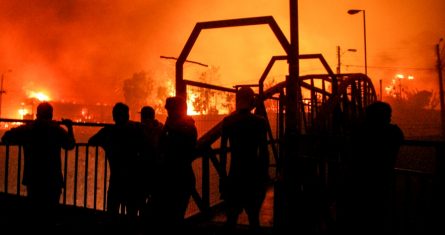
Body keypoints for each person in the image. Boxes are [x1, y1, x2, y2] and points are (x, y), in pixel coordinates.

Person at [1, 102, 75, 227]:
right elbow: (70, 145)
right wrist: (70, 128)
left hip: (34, 178)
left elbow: (5, 138)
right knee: (50, 216)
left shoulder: (28, 129)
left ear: (37, 114)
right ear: (51, 115)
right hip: (53, 179)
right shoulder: (56, 129)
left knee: (35, 215)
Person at [340, 101, 404, 234]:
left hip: (358, 182)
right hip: (382, 181)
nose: (390, 118)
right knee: (380, 217)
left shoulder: (359, 132)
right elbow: (399, 137)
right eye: (388, 115)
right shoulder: (392, 132)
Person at [219, 87, 270, 232]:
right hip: (253, 175)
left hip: (234, 175)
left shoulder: (228, 121)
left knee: (231, 220)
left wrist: (223, 177)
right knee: (254, 219)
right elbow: (264, 152)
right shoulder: (260, 122)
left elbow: (223, 153)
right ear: (251, 100)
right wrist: (264, 175)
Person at [88, 102, 146, 227]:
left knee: (112, 211)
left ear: (113, 117)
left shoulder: (108, 132)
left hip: (116, 179)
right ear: (127, 116)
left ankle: (113, 234)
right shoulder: (136, 131)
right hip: (133, 179)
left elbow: (91, 141)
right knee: (132, 214)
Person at [151, 96, 197, 231]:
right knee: (175, 217)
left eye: (170, 110)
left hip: (175, 178)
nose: (168, 113)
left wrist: (165, 127)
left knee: (171, 217)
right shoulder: (187, 125)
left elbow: (162, 147)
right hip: (181, 177)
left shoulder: (179, 127)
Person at [138, 106, 163, 222]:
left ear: (142, 117)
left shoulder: (139, 129)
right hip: (158, 170)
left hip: (143, 171)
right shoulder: (161, 128)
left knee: (142, 201)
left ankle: (143, 225)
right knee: (156, 200)